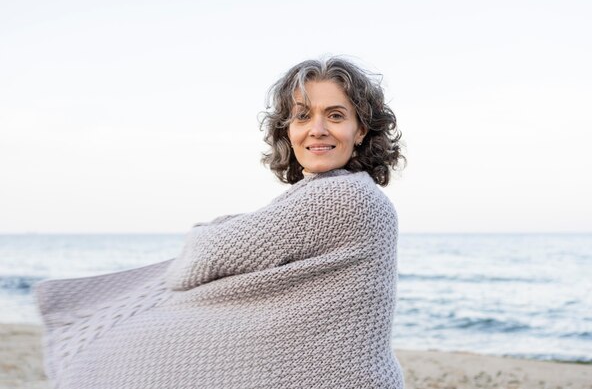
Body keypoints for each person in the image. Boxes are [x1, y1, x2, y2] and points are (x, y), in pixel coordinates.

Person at [35, 56, 406, 389]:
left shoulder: (346, 197)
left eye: (336, 115)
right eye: (303, 115)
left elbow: (201, 258)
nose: (317, 128)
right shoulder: (348, 195)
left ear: (361, 131)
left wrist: (207, 230)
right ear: (287, 130)